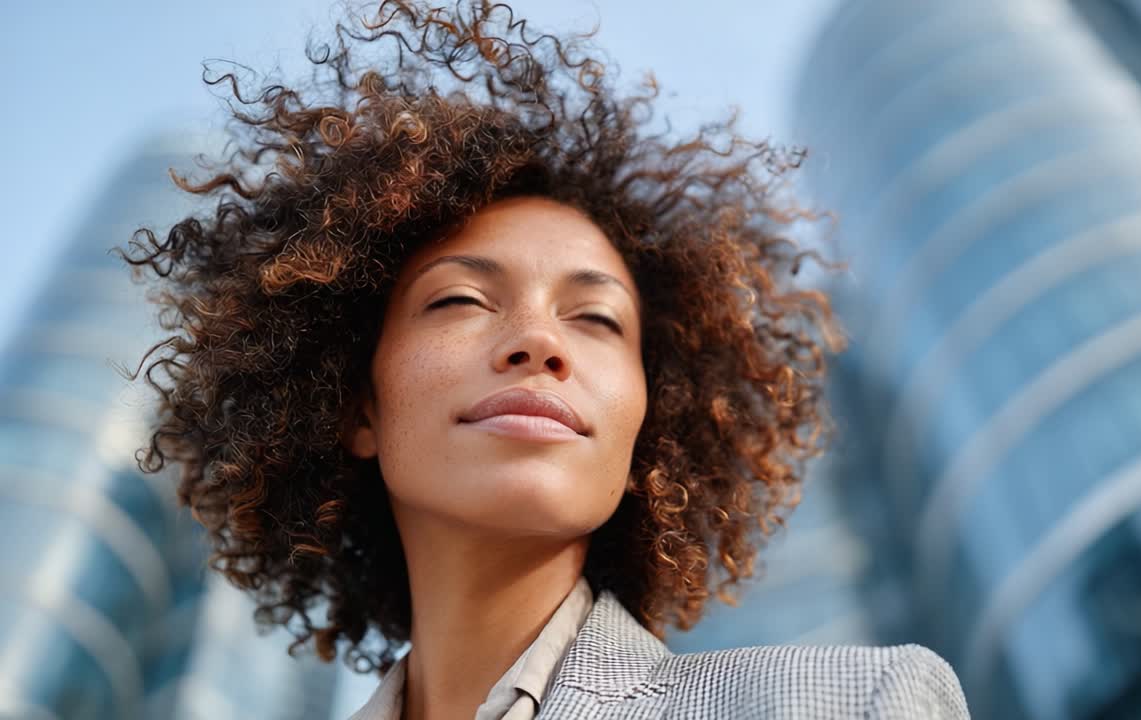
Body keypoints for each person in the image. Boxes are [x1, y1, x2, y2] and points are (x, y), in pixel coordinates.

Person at [121, 1, 971, 718]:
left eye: (597, 319)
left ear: (649, 430)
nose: (541, 343)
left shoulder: (854, 704)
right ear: (358, 408)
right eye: (460, 300)